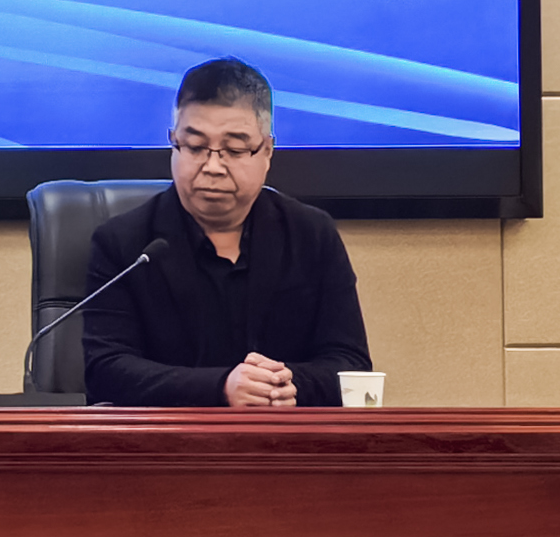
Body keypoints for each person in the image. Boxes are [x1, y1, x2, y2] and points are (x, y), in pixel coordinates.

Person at [65, 57, 372, 408]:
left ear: (267, 151)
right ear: (173, 142)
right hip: (165, 439)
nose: (212, 167)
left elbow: (351, 365)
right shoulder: (124, 243)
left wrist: (286, 385)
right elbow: (106, 371)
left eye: (235, 149)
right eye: (195, 146)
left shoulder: (312, 236)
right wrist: (221, 388)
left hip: (282, 437)